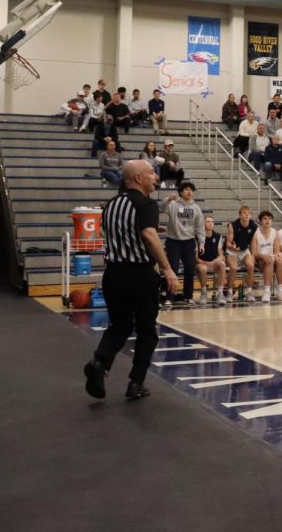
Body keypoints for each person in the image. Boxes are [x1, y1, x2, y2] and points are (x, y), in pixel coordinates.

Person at [83, 161, 179, 400]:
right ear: (138, 178)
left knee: (120, 325)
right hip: (139, 275)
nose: (155, 177)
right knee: (147, 331)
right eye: (150, 173)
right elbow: (147, 234)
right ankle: (136, 383)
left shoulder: (111, 205)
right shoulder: (146, 204)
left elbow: (121, 234)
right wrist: (167, 269)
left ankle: (100, 362)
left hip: (113, 273)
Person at [161, 181, 204, 306]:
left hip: (189, 242)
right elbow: (161, 207)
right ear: (180, 192)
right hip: (173, 241)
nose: (189, 191)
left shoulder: (196, 208)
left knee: (190, 270)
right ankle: (169, 297)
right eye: (186, 189)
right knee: (172, 269)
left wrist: (201, 243)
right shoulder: (173, 204)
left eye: (191, 189)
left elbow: (199, 228)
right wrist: (168, 199)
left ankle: (188, 297)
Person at [225, 205, 259, 302]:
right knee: (233, 268)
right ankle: (230, 292)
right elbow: (227, 244)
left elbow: (253, 242)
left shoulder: (253, 226)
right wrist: (232, 246)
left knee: (251, 266)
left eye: (248, 213)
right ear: (240, 215)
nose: (247, 215)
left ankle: (249, 292)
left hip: (244, 250)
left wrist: (252, 255)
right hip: (232, 250)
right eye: (244, 213)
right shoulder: (233, 225)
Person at [195, 216, 228, 306]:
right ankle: (204, 293)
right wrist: (205, 263)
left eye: (212, 221)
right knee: (203, 268)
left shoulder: (218, 236)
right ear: (203, 224)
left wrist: (218, 260)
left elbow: (221, 254)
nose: (210, 223)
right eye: (208, 221)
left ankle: (220, 294)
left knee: (222, 264)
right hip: (201, 263)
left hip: (213, 264)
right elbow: (196, 258)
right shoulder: (198, 237)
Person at [249, 211, 281, 303]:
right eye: (265, 218)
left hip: (272, 258)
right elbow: (254, 252)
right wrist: (264, 256)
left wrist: (275, 256)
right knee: (269, 261)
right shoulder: (255, 233)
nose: (267, 221)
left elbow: (276, 251)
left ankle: (280, 291)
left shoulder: (275, 233)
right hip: (260, 260)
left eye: (270, 219)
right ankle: (266, 291)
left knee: (280, 260)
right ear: (260, 221)